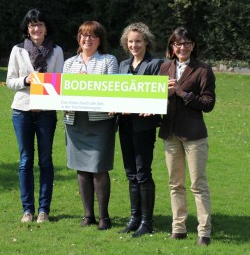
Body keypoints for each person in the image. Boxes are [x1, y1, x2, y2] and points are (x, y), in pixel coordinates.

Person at [158, 26, 216, 246]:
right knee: (175, 184)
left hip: (194, 135)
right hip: (170, 133)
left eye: (187, 43)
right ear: (172, 47)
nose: (182, 47)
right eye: (178, 44)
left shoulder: (203, 69)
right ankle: (178, 228)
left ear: (193, 46)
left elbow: (208, 104)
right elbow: (156, 98)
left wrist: (182, 93)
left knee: (198, 184)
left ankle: (204, 231)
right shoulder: (165, 67)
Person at [6, 9, 64, 223]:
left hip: (47, 113)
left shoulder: (56, 51)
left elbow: (60, 82)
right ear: (27, 28)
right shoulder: (18, 50)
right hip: (22, 112)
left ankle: (43, 210)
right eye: (32, 25)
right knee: (25, 161)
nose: (36, 29)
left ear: (46, 28)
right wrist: (26, 81)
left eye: (40, 24)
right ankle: (27, 210)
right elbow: (10, 81)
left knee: (46, 161)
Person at [63, 21, 118, 230]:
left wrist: (88, 82)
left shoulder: (108, 61)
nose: (88, 40)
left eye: (92, 36)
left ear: (99, 40)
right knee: (82, 170)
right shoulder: (69, 64)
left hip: (100, 122)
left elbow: (113, 89)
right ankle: (88, 215)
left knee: (99, 168)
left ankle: (104, 216)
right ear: (79, 39)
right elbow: (62, 92)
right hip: (75, 121)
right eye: (84, 36)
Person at [118, 22, 163, 237]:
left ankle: (147, 221)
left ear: (146, 41)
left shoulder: (155, 64)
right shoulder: (122, 65)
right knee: (130, 173)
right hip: (124, 125)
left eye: (138, 41)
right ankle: (134, 217)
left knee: (143, 171)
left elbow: (158, 96)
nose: (134, 45)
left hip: (144, 127)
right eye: (130, 41)